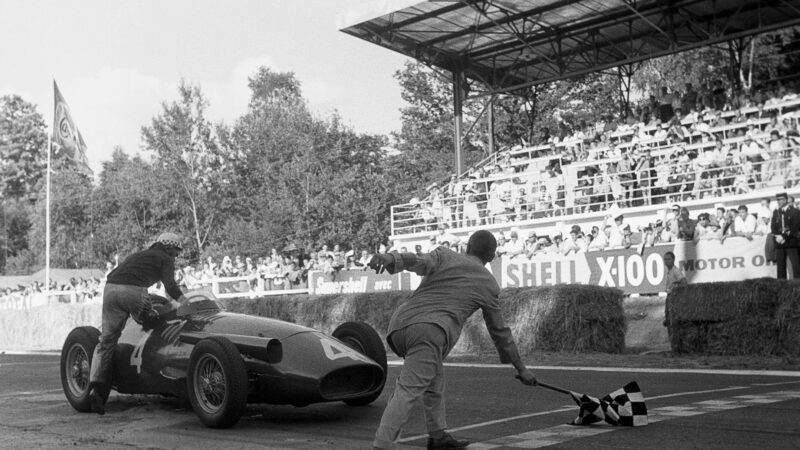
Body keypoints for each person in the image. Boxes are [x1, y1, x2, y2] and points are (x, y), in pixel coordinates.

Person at [368, 230, 537, 450]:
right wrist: (521, 368)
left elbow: (418, 260)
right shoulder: (488, 284)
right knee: (409, 389)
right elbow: (500, 332)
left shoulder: (445, 254)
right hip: (430, 330)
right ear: (492, 256)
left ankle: (438, 436)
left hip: (399, 325)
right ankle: (382, 444)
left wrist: (391, 258)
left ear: (467, 247)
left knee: (434, 380)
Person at [88, 232, 186, 415]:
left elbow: (113, 274)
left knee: (106, 341)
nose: (176, 255)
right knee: (153, 321)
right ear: (168, 246)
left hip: (110, 289)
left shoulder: (138, 255)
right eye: (176, 251)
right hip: (133, 290)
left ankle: (96, 389)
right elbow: (170, 286)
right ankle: (153, 371)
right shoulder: (164, 258)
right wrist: (185, 301)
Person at [770, 192, 800, 279]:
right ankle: (781, 286)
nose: (778, 201)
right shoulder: (776, 212)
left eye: (781, 199)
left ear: (786, 200)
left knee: (795, 266)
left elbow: (795, 227)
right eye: (777, 200)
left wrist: (784, 237)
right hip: (779, 243)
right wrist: (777, 236)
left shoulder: (795, 212)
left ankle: (797, 285)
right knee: (780, 267)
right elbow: (773, 227)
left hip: (791, 242)